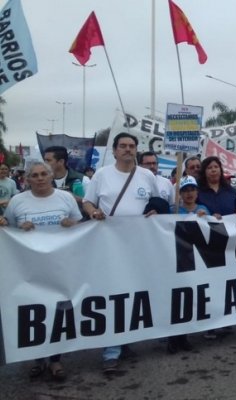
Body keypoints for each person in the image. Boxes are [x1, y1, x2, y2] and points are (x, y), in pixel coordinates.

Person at [83, 132, 159, 374]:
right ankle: (110, 352)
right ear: (114, 150)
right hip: (110, 246)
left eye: (132, 146)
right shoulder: (102, 175)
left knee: (135, 293)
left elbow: (157, 205)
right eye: (123, 146)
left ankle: (126, 341)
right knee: (113, 295)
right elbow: (87, 203)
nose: (128, 149)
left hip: (140, 247)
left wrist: (155, 213)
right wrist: (94, 212)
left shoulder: (147, 176)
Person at [0, 161, 81, 381]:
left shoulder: (66, 199)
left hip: (60, 265)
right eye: (34, 175)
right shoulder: (17, 201)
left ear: (51, 175)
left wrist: (70, 224)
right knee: (33, 311)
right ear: (27, 179)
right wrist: (16, 227)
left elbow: (81, 227)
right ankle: (37, 358)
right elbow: (8, 230)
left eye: (44, 174)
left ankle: (55, 360)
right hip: (28, 267)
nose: (40, 178)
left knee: (58, 311)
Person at [166, 176, 208, 354]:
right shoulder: (172, 209)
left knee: (189, 298)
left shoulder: (203, 209)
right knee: (175, 299)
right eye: (185, 190)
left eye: (192, 190)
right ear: (180, 193)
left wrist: (207, 217)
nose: (189, 194)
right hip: (175, 259)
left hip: (195, 261)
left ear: (197, 192)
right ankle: (172, 338)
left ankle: (183, 337)